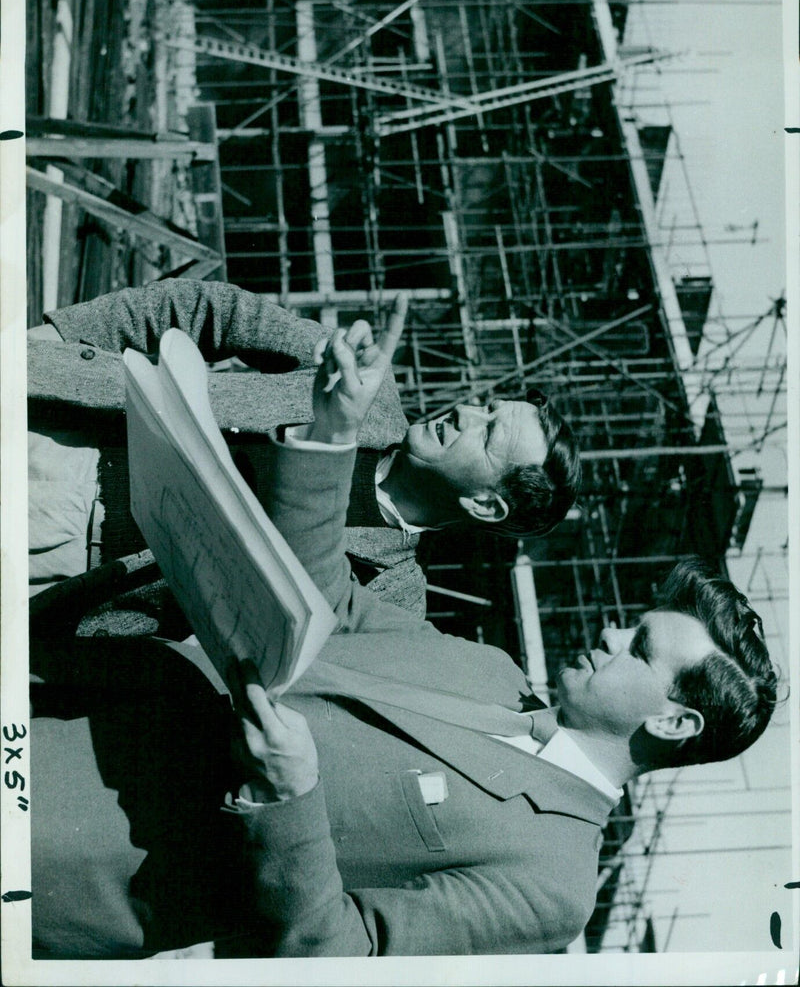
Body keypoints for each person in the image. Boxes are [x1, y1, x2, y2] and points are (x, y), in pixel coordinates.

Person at [30, 301, 778, 959]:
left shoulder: (554, 887)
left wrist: (289, 795)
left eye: (639, 650)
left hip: (79, 848)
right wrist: (329, 436)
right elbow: (323, 600)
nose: (612, 633)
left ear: (674, 721)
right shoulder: (490, 673)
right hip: (74, 700)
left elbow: (334, 953)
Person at [27, 279, 581, 632]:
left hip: (63, 565)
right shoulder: (364, 386)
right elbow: (212, 309)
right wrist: (57, 338)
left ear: (487, 506)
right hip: (54, 430)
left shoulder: (391, 598)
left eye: (486, 435)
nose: (465, 412)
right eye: (486, 406)